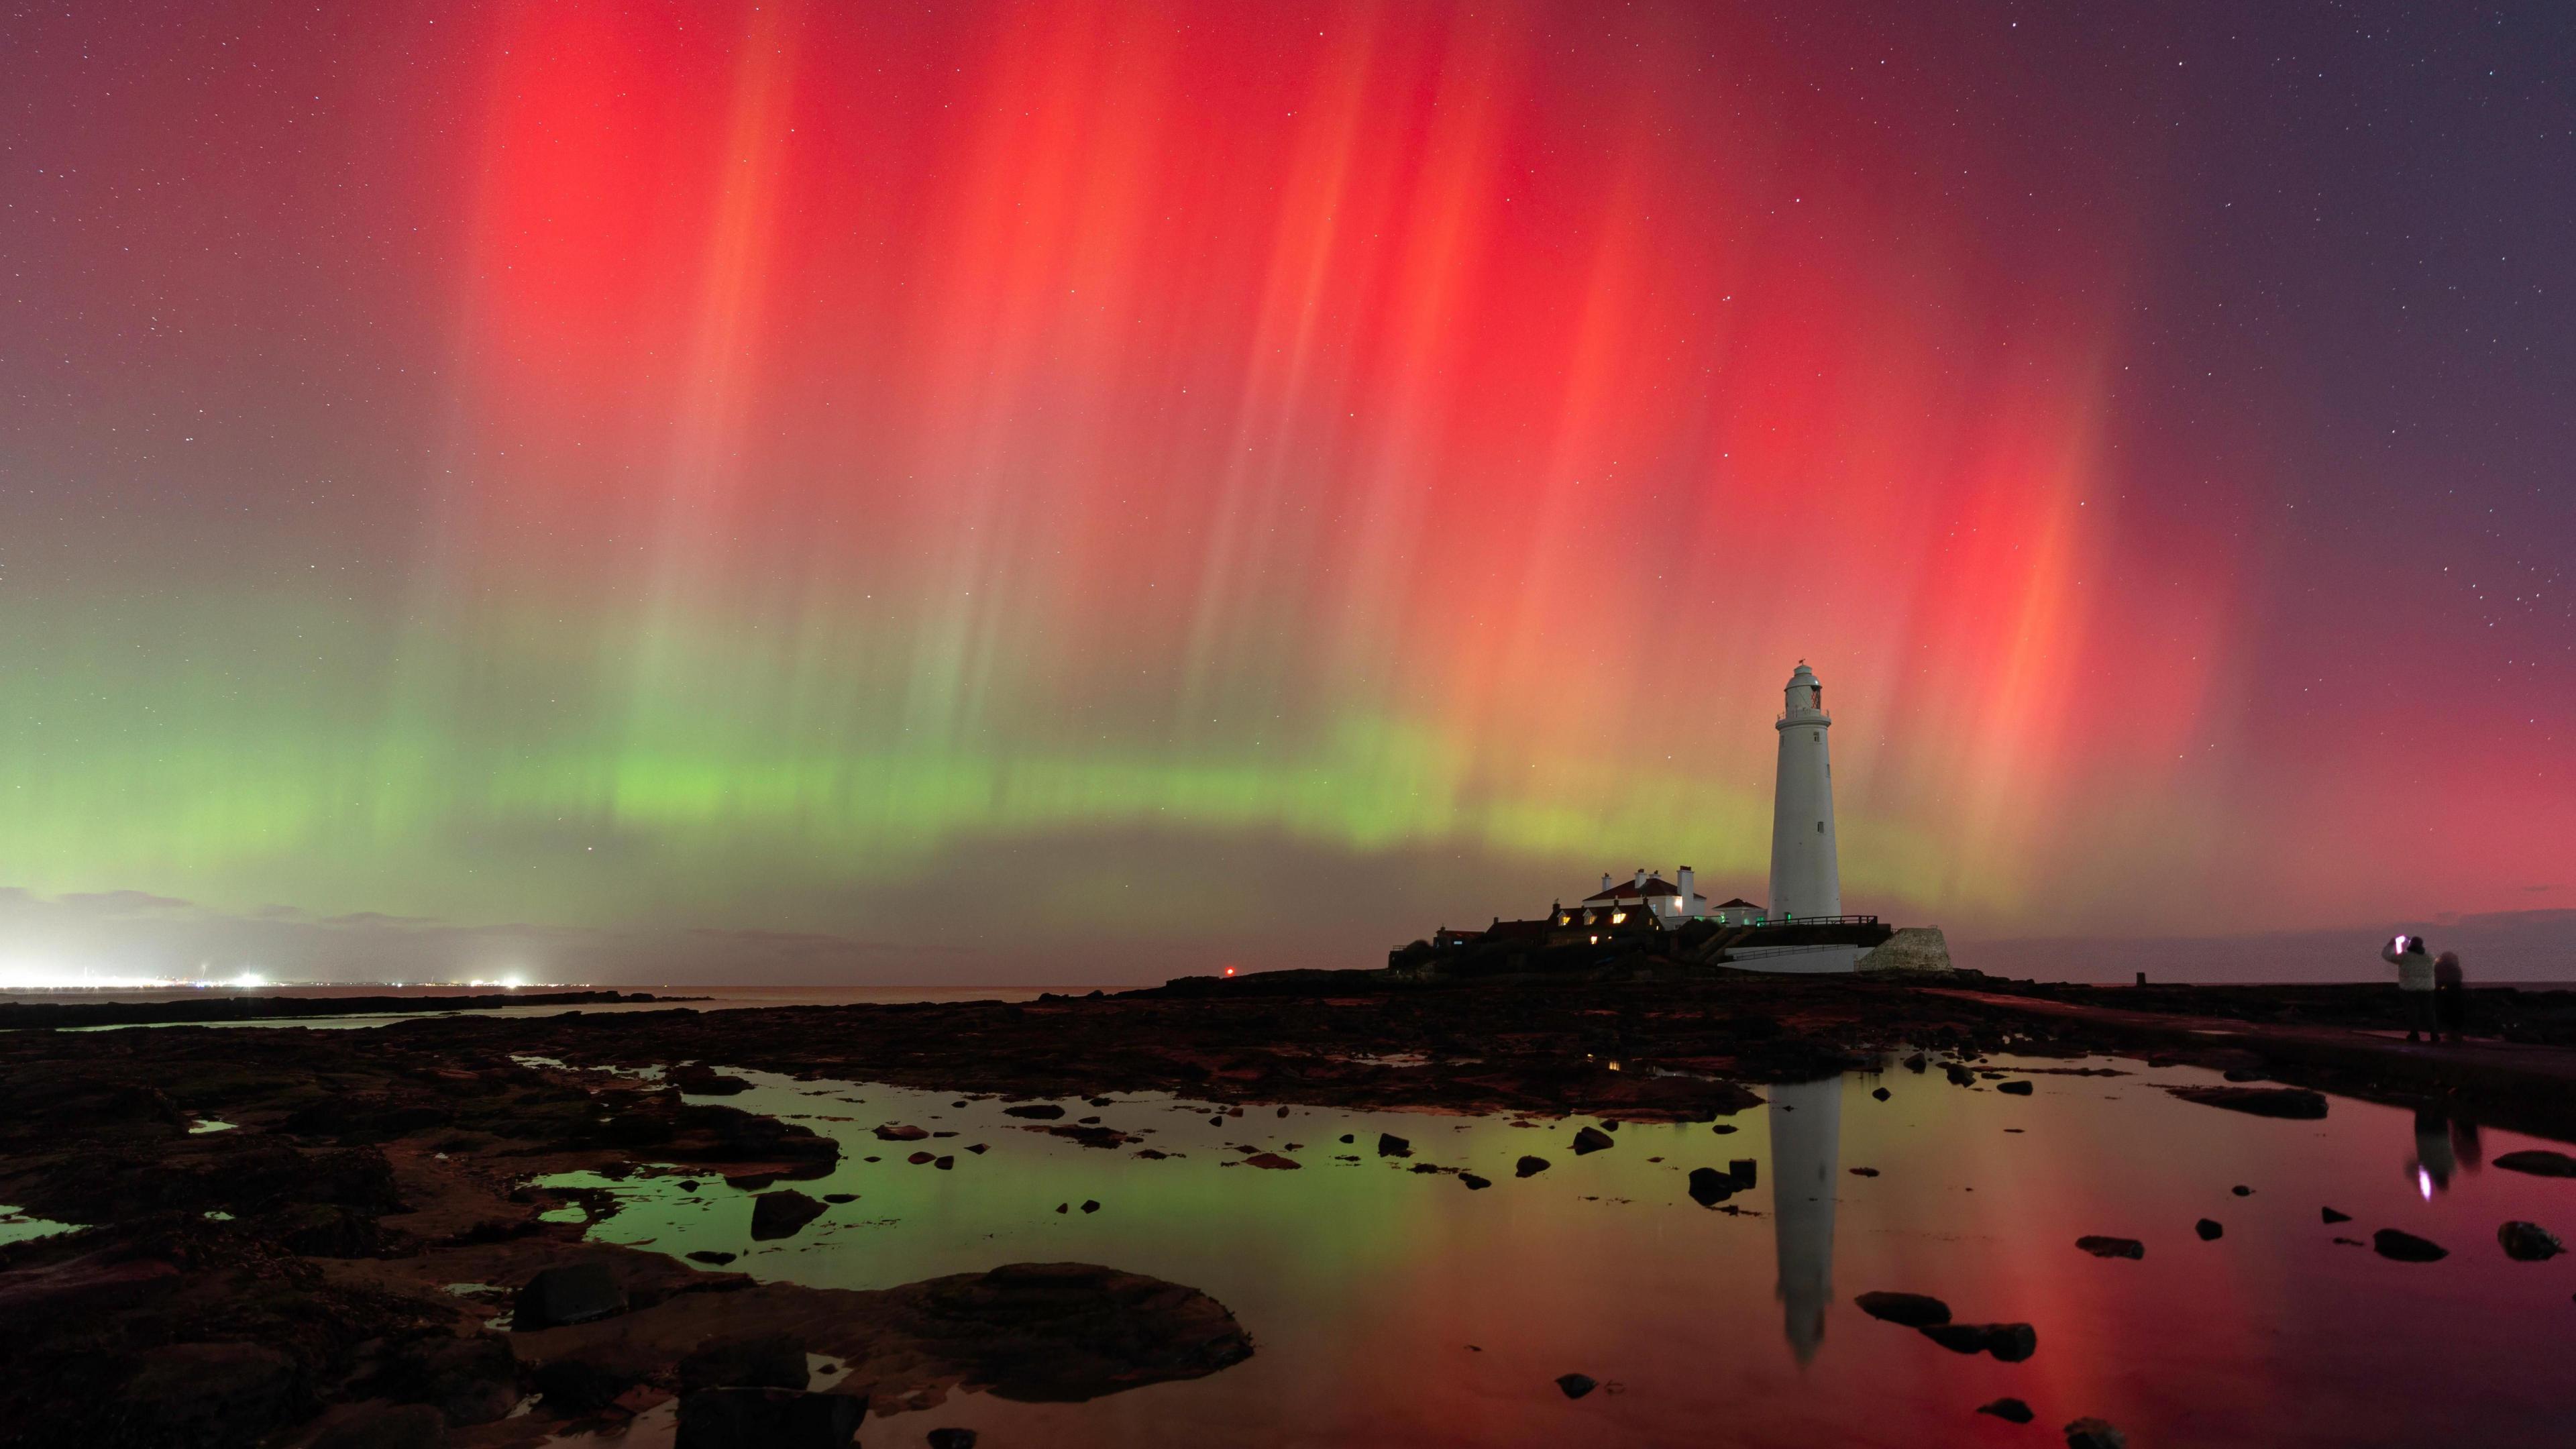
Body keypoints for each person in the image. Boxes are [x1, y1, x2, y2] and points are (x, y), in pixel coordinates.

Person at [2381, 934, 2436, 1042]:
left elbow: (2387, 955)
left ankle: (2414, 1034)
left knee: (2413, 1013)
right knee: (2429, 1012)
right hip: (2428, 989)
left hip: (2410, 988)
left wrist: (2391, 944)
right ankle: (2434, 1034)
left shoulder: (2405, 957)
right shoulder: (2430, 956)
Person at [2434, 951, 2467, 1044]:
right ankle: (2456, 1033)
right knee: (2456, 1012)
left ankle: (2451, 1032)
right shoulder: (2456, 968)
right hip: (2455, 990)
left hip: (2444, 990)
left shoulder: (2439, 966)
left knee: (2446, 1011)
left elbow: (2437, 974)